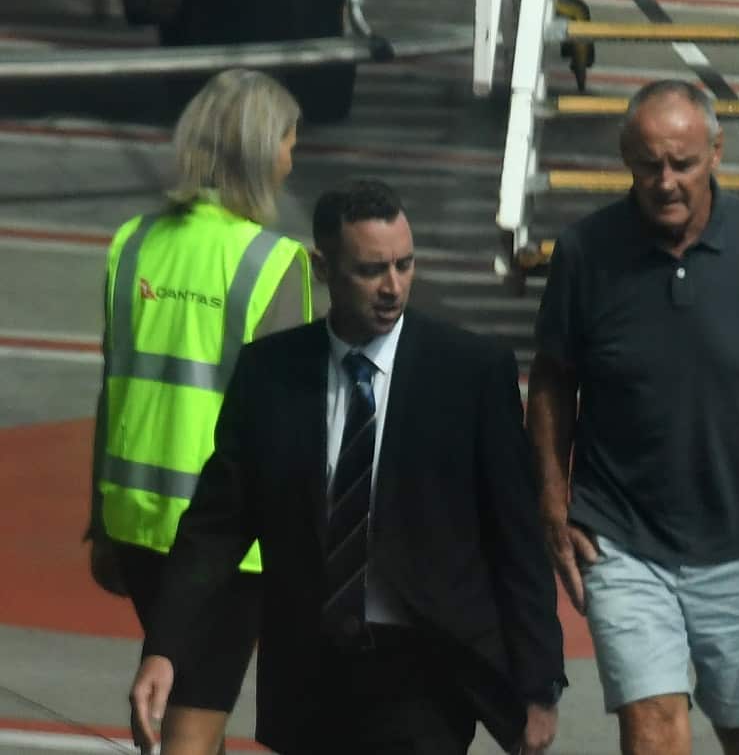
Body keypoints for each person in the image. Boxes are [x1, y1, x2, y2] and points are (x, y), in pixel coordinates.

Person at [128, 179, 566, 755]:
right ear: (323, 266)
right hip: (312, 673)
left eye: (404, 266)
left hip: (426, 672)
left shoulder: (470, 373)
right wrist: (165, 647)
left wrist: (538, 683)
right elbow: (217, 525)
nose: (393, 287)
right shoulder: (271, 374)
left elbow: (515, 534)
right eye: (370, 270)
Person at [528, 79, 739, 755]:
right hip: (622, 535)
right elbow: (554, 381)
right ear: (626, 159)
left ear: (716, 152)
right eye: (649, 164)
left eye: (683, 162)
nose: (666, 181)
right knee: (652, 723)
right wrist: (554, 502)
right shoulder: (587, 254)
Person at [87, 68, 313, 755]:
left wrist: (99, 518)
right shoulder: (274, 262)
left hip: (135, 517)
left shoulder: (131, 242)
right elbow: (288, 426)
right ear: (257, 149)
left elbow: (112, 385)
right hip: (223, 537)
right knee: (194, 714)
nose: (292, 155)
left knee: (182, 691)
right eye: (287, 139)